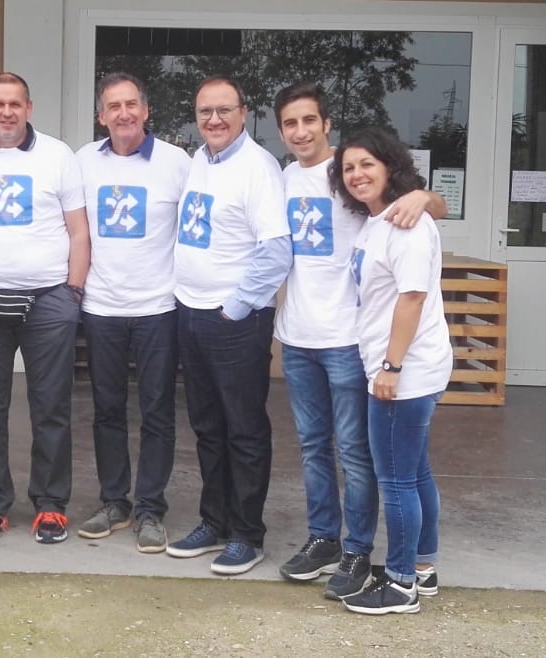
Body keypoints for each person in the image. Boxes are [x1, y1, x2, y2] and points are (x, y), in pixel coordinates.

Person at [272, 83, 446, 600]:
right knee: (312, 448)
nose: (300, 131)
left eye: (309, 120)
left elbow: (428, 209)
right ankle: (324, 538)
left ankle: (358, 551)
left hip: (351, 341)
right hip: (298, 336)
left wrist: (423, 195)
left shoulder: (355, 176)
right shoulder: (283, 178)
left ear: (327, 124)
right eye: (289, 123)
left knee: (356, 454)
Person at [0, 72, 91, 545]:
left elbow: (78, 231)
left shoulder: (58, 156)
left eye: (15, 103)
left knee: (51, 407)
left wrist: (72, 294)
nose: (7, 112)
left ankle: (50, 505)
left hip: (49, 300)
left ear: (29, 108)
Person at [165, 76, 291, 576]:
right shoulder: (200, 159)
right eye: (204, 112)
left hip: (234, 320)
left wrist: (234, 308)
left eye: (223, 111)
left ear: (243, 113)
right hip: (191, 313)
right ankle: (213, 521)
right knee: (207, 427)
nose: (213, 120)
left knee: (243, 429)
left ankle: (246, 534)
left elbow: (276, 250)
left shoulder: (258, 167)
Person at [330, 128, 453, 616]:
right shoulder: (378, 220)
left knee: (396, 479)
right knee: (414, 471)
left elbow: (413, 297)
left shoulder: (406, 224)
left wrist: (391, 366)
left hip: (405, 371)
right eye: (348, 168)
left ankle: (401, 584)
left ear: (389, 166)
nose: (357, 174)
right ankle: (422, 567)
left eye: (367, 164)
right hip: (399, 367)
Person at [73, 73, 191, 552]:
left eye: (131, 105)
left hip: (158, 307)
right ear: (101, 116)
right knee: (107, 410)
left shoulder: (177, 163)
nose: (123, 114)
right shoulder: (83, 161)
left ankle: (150, 509)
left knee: (158, 411)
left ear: (145, 111)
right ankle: (114, 502)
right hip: (101, 307)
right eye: (113, 106)